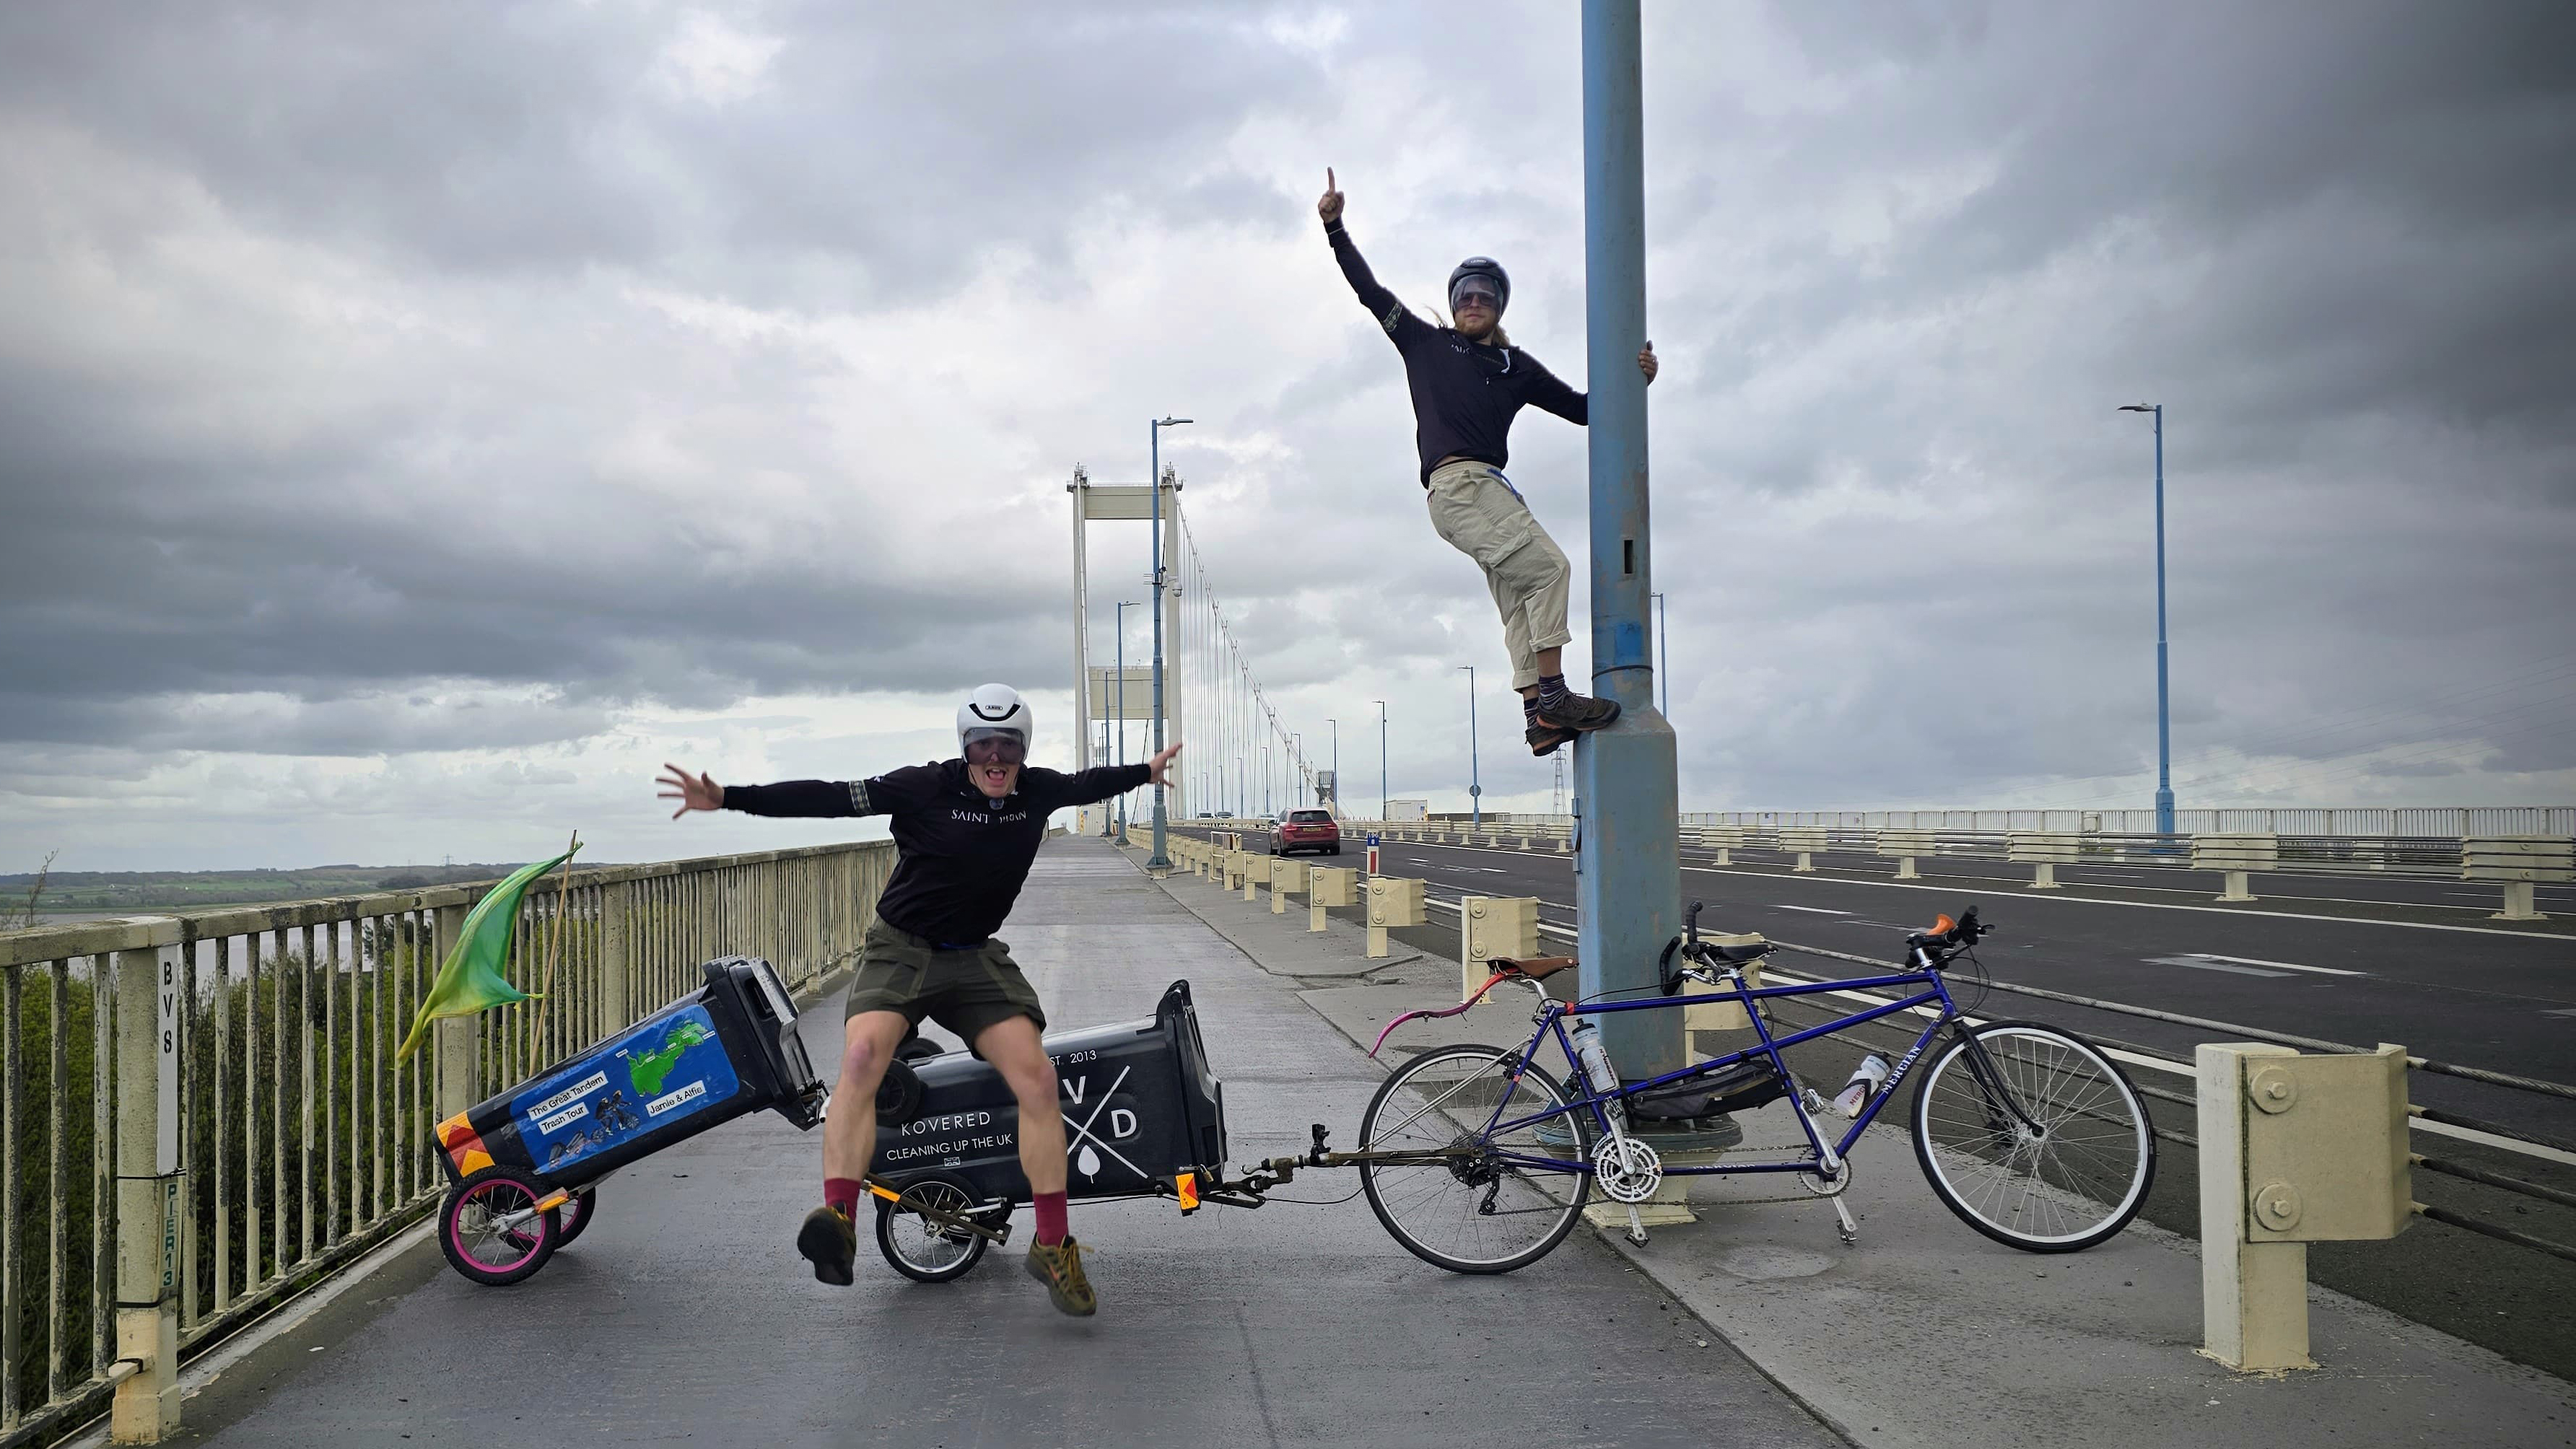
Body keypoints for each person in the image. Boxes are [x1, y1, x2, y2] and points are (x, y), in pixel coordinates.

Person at [656, 683, 1180, 1316]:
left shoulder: (1036, 792)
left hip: (974, 958)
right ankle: (839, 1221)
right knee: (861, 1060)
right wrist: (731, 798)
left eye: (1008, 745)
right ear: (965, 746)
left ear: (1023, 749)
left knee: (1038, 1079)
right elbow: (830, 798)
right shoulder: (922, 787)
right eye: (982, 745)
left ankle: (1051, 1245)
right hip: (900, 950)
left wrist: (1143, 772)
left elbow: (1086, 783)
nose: (995, 758)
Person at [1318, 167, 1659, 756]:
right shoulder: (1425, 343)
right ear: (1453, 304)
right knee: (1549, 571)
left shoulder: (1513, 366)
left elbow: (1587, 411)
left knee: (1522, 595)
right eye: (1465, 296)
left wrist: (1637, 381)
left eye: (1485, 296)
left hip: (1486, 491)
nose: (1474, 302)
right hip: (1459, 488)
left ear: (1499, 307)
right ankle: (1554, 695)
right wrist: (1334, 228)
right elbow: (1368, 291)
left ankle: (1538, 718)